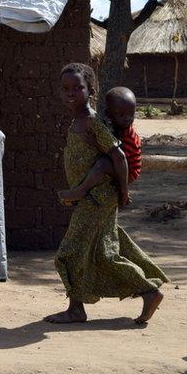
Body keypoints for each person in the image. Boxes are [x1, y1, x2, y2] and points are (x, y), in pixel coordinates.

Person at [46, 63, 167, 326]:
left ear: (91, 90)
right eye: (65, 89)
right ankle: (147, 291)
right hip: (94, 198)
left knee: (68, 253)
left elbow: (118, 156)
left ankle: (80, 308)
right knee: (104, 253)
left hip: (97, 198)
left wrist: (123, 191)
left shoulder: (91, 122)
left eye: (78, 87)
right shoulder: (80, 121)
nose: (71, 93)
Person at [57, 86, 142, 206]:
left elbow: (119, 158)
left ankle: (81, 191)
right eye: (121, 115)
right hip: (121, 165)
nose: (127, 119)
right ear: (109, 114)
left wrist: (97, 144)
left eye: (131, 114)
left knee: (102, 164)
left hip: (129, 171)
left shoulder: (129, 137)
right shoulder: (113, 127)